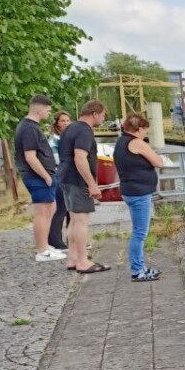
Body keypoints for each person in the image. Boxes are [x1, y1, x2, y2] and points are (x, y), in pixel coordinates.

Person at [13, 94, 64, 263]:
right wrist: (46, 177)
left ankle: (46, 246)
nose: (49, 113)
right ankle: (41, 250)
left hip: (44, 175)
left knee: (51, 208)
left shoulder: (31, 126)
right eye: (48, 110)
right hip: (37, 177)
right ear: (40, 108)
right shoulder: (29, 128)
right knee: (42, 212)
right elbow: (30, 157)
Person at [60, 99, 110, 274]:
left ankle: (73, 258)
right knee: (82, 221)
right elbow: (79, 157)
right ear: (94, 114)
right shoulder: (84, 131)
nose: (103, 119)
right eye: (103, 115)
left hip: (66, 178)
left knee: (73, 220)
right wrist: (92, 184)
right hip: (78, 180)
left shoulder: (70, 128)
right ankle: (83, 261)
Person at [115, 113, 166, 282]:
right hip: (139, 192)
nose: (145, 133)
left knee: (138, 231)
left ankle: (141, 268)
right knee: (139, 233)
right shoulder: (136, 142)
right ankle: (137, 270)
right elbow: (159, 162)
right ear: (138, 129)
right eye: (144, 129)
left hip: (130, 190)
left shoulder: (121, 142)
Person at [47, 110, 73, 251]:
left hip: (68, 176)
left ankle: (73, 240)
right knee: (61, 209)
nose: (66, 123)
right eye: (62, 121)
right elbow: (57, 161)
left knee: (72, 210)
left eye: (68, 120)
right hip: (59, 176)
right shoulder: (54, 141)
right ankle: (55, 241)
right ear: (56, 123)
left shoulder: (67, 138)